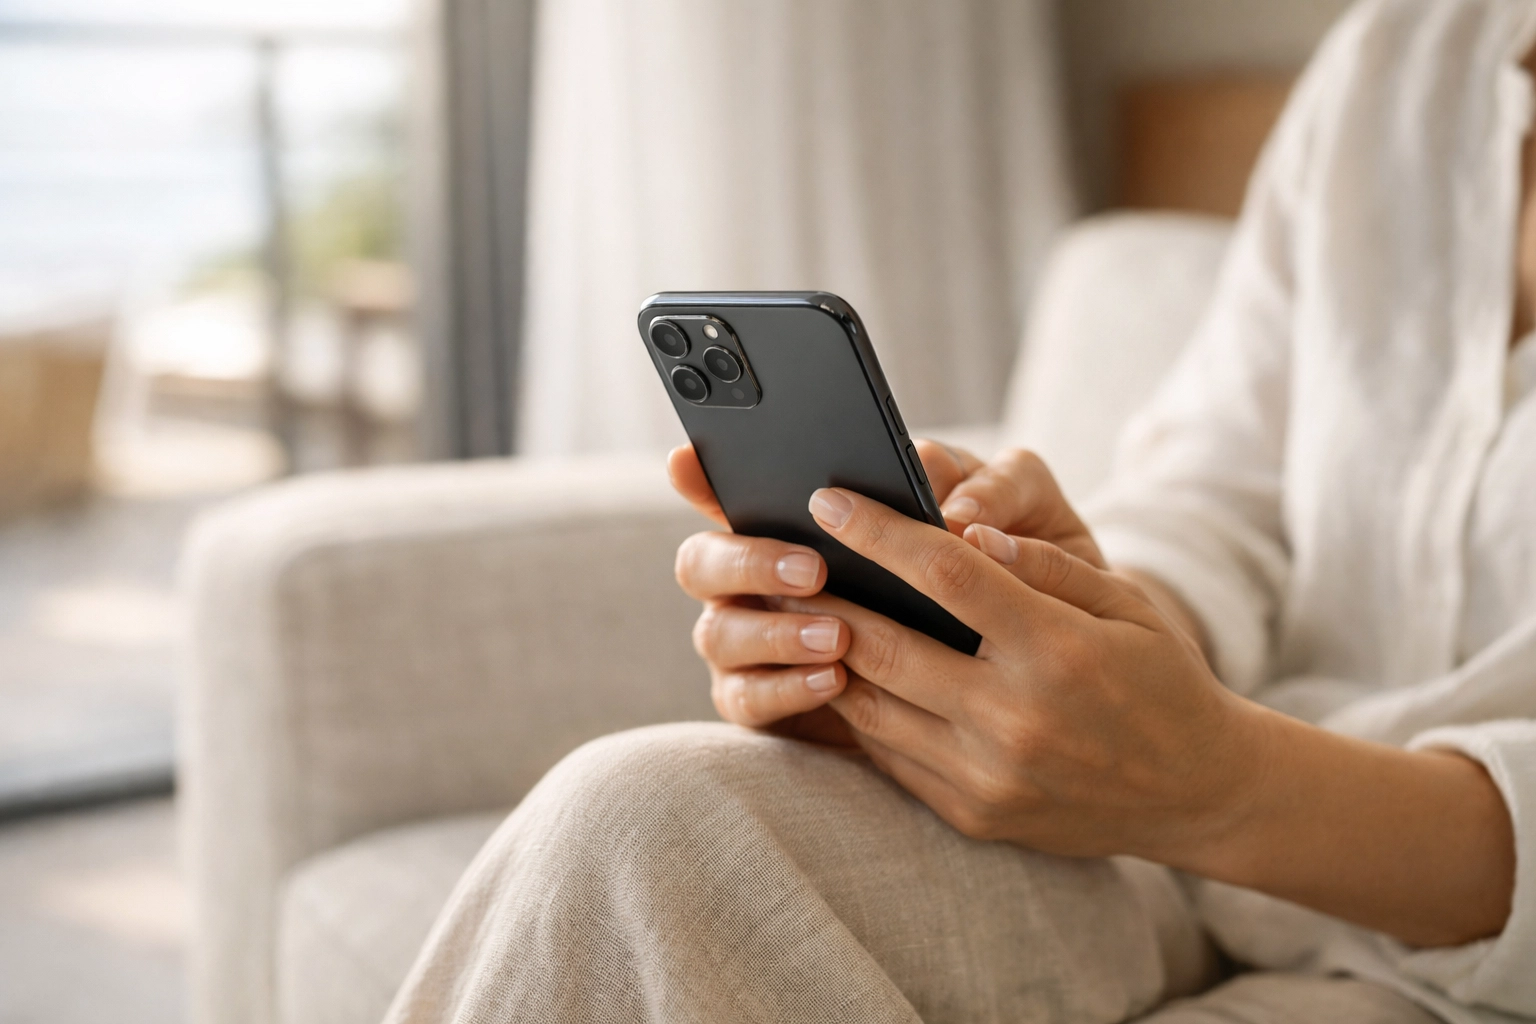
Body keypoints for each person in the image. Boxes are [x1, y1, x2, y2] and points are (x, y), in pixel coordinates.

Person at [384, 1, 1536, 1021]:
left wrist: (1220, 785)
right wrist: (1071, 640)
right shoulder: (1407, 59)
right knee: (637, 820)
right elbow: (1221, 489)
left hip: (1440, 931)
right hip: (1190, 858)